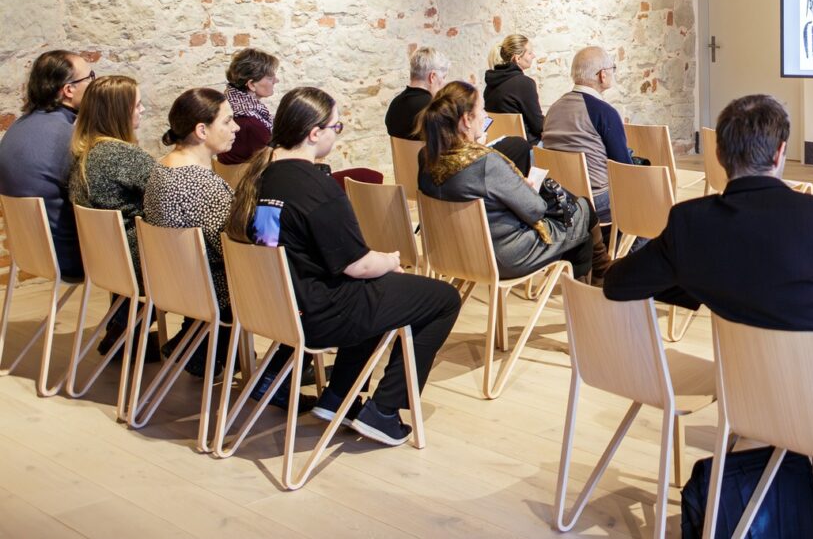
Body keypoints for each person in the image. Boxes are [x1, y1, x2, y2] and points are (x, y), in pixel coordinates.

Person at [603, 95, 813, 524]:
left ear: (719, 154)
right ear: (782, 152)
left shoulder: (690, 223)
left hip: (753, 410)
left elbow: (617, 284)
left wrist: (701, 283)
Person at [225, 87, 462, 445]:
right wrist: (389, 260)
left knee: (384, 291)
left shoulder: (262, 178)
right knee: (442, 298)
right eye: (337, 127)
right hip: (319, 315)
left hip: (281, 306)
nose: (338, 133)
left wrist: (377, 268)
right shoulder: (316, 188)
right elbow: (358, 265)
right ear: (314, 133)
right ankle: (383, 410)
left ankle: (339, 397)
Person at [417, 81, 592, 281]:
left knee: (575, 225)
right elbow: (535, 209)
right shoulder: (484, 162)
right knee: (583, 211)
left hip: (452, 251)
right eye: (482, 110)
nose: (485, 115)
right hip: (503, 257)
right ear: (466, 120)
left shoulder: (427, 156)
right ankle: (589, 290)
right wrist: (523, 188)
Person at [541, 46, 632, 281]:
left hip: (559, 197)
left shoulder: (554, 108)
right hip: (596, 200)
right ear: (602, 75)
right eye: (612, 69)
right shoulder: (604, 112)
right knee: (649, 205)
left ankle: (604, 262)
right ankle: (630, 273)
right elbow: (623, 167)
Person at [0, 50, 93, 279]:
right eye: (90, 77)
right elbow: (96, 196)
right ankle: (127, 313)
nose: (94, 83)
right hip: (70, 258)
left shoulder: (16, 129)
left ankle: (127, 312)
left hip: (30, 253)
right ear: (68, 90)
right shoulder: (67, 136)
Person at [146, 88, 238, 311]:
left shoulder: (160, 168)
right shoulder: (202, 185)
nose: (236, 127)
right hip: (216, 293)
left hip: (175, 285)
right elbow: (235, 250)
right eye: (227, 121)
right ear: (201, 130)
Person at [69, 74, 154, 268]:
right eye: (138, 105)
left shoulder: (84, 153)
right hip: (142, 265)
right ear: (119, 112)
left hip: (107, 264)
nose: (143, 110)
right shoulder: (122, 155)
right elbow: (168, 193)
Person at [220, 47, 279, 165]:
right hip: (253, 181)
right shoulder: (250, 122)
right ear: (252, 84)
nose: (276, 80)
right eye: (270, 77)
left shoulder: (230, 106)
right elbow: (274, 162)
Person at [484, 34, 544, 144]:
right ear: (517, 58)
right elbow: (538, 126)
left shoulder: (490, 84)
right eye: (530, 53)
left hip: (499, 145)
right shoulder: (524, 84)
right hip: (526, 147)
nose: (533, 56)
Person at [383, 46, 450, 139]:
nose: (444, 83)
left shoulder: (394, 104)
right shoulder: (434, 108)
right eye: (443, 77)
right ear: (432, 76)